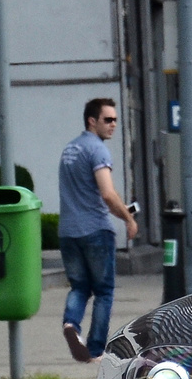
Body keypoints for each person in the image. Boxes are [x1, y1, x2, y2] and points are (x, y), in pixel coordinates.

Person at [58, 97, 138, 363]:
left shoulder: (70, 149)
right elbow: (107, 194)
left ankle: (71, 325)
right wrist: (128, 218)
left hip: (68, 231)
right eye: (108, 119)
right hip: (95, 230)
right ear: (92, 121)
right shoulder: (98, 150)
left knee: (79, 287)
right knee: (104, 291)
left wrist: (120, 209)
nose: (113, 124)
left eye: (115, 119)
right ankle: (94, 350)